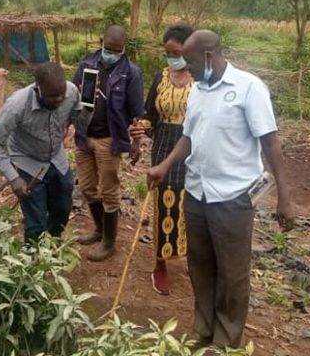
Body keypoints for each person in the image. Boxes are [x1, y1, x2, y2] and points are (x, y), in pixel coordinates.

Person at [147, 29, 295, 350]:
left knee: (232, 272)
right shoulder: (198, 90)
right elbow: (189, 137)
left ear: (209, 57)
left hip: (233, 197)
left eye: (191, 63)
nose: (187, 70)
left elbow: (270, 142)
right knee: (200, 266)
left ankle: (226, 339)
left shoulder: (249, 88)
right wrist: (165, 165)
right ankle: (204, 329)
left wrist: (285, 195)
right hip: (197, 193)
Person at [0, 63, 93, 241]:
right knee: (36, 222)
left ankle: (51, 248)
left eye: (62, 96)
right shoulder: (16, 106)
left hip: (56, 158)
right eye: (52, 97)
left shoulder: (72, 92)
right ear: (38, 90)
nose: (59, 100)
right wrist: (13, 177)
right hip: (28, 162)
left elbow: (81, 125)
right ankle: (34, 259)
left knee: (62, 210)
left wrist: (89, 109)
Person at [73, 25, 145, 262]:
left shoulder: (131, 73)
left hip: (109, 139)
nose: (111, 53)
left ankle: (109, 242)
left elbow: (136, 113)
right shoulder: (87, 65)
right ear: (101, 42)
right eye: (108, 48)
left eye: (116, 50)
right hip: (85, 135)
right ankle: (99, 229)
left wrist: (136, 143)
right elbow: (73, 94)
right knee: (86, 187)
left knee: (109, 191)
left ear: (123, 48)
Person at [134, 24, 195, 295]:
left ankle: (195, 259)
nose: (172, 58)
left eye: (177, 52)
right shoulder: (161, 77)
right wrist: (140, 126)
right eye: (168, 53)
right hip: (163, 148)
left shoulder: (202, 80)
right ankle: (160, 264)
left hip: (195, 150)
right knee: (164, 205)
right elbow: (151, 116)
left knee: (192, 205)